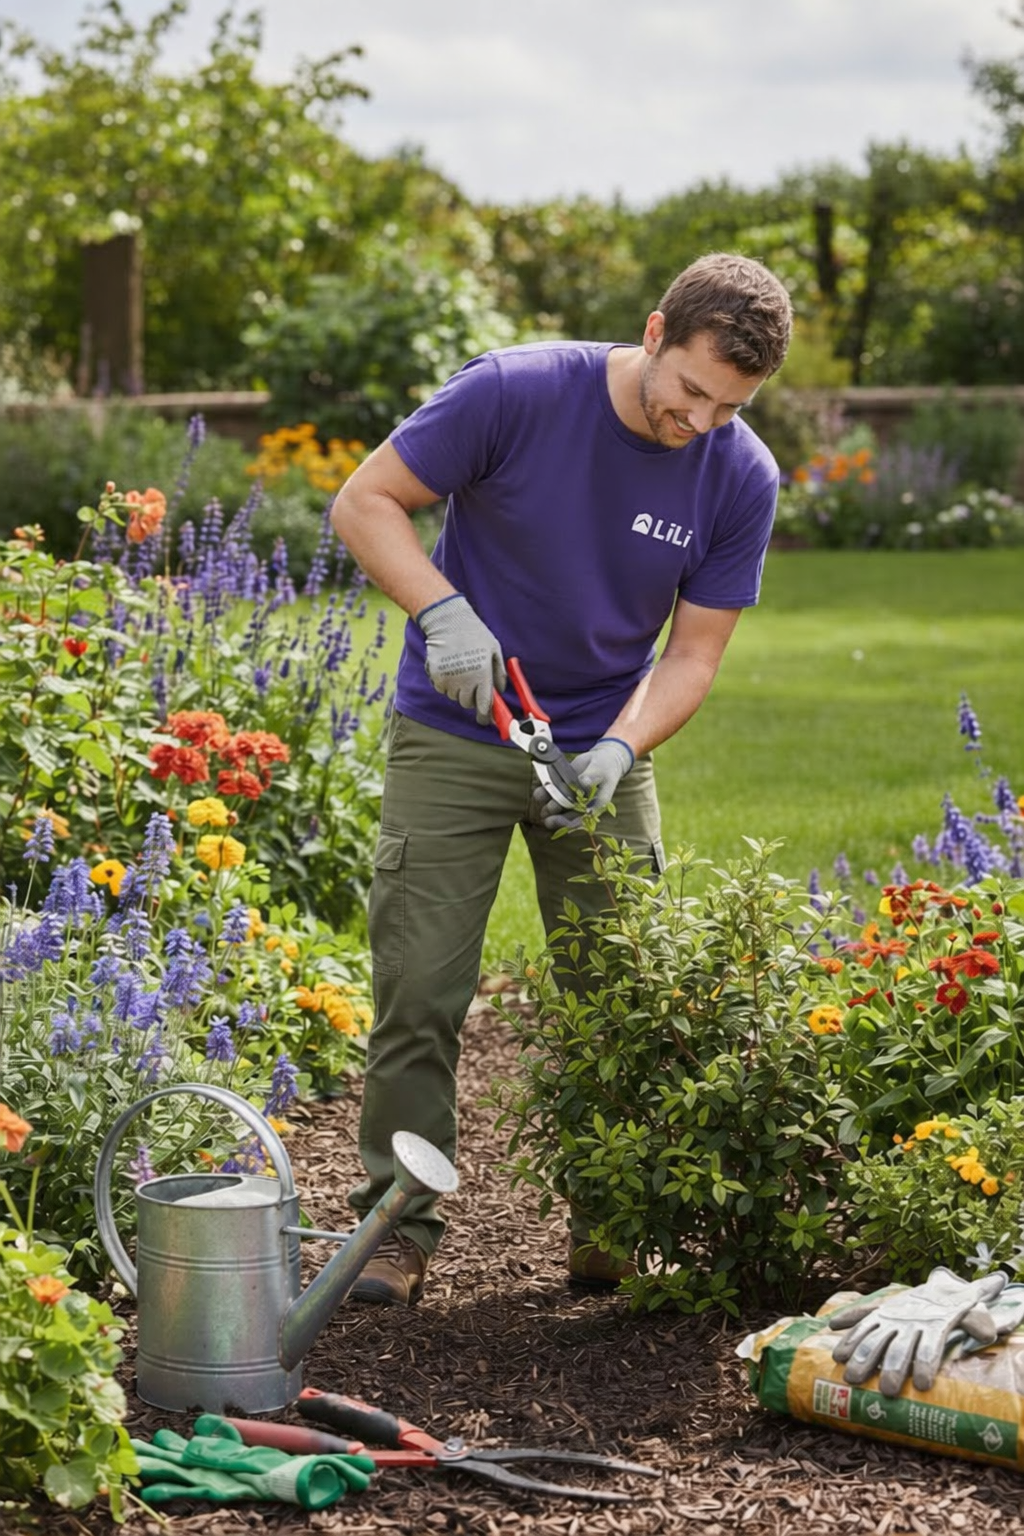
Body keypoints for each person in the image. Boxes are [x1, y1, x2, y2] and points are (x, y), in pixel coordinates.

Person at [330, 251, 793, 1304]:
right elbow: (367, 503)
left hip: (597, 745)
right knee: (420, 987)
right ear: (654, 329)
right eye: (688, 392)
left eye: (728, 406)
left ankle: (616, 1223)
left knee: (623, 997)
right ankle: (396, 1231)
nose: (699, 423)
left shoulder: (738, 474)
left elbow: (692, 656)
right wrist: (440, 612)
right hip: (454, 732)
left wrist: (622, 748)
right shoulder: (515, 391)